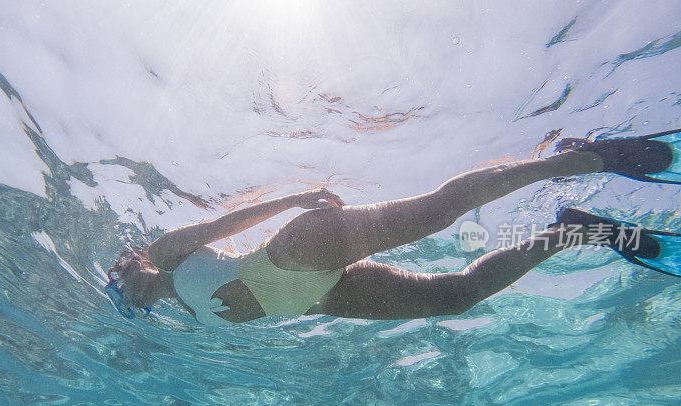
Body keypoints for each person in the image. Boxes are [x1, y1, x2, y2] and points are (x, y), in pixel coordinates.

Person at [107, 129, 681, 326]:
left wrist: (294, 199)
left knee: (437, 212)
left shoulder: (165, 252)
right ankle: (577, 231)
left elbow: (228, 222)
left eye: (119, 280)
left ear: (132, 265)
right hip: (319, 297)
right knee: (455, 297)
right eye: (122, 298)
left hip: (297, 251)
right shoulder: (177, 316)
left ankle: (581, 160)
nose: (127, 295)